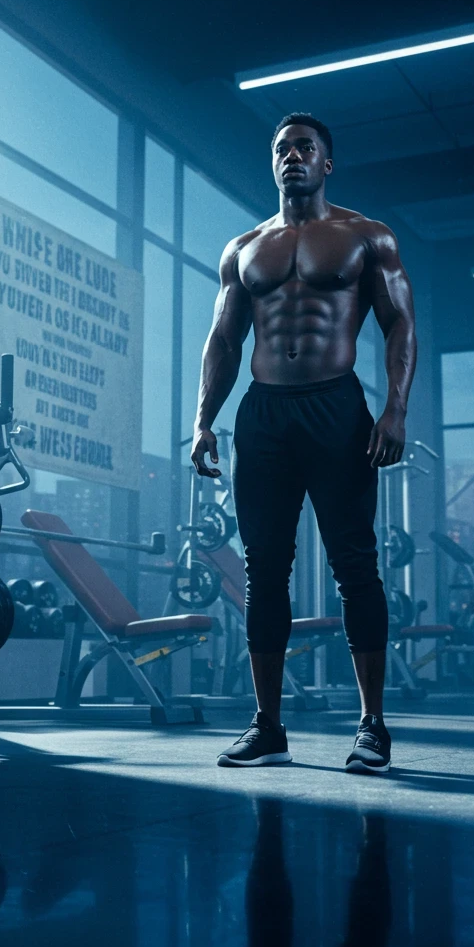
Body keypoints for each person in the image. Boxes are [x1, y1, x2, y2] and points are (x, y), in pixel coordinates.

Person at [190, 113, 416, 773]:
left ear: (326, 164)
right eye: (282, 148)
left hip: (336, 407)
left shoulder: (365, 236)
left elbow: (399, 325)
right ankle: (267, 724)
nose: (292, 156)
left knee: (354, 565)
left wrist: (395, 410)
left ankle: (372, 724)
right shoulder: (243, 248)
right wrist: (205, 419)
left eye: (305, 148)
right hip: (263, 415)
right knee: (264, 571)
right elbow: (224, 341)